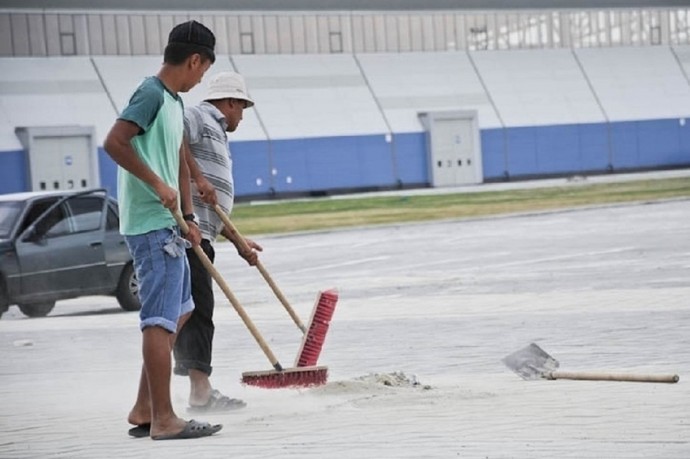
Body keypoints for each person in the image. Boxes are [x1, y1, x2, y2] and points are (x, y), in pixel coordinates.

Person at [103, 20, 222, 441]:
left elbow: (176, 160)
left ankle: (144, 407)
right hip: (151, 224)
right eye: (203, 70)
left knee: (181, 310)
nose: (201, 78)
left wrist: (190, 218)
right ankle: (165, 419)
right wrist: (156, 184)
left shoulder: (173, 102)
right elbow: (115, 142)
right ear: (194, 60)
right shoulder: (151, 93)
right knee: (160, 319)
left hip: (171, 225)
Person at [173, 71, 263, 411]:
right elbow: (172, 137)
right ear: (231, 102)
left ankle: (197, 389)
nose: (242, 115)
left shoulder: (219, 134)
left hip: (206, 232)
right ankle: (200, 393)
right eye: (242, 107)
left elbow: (215, 205)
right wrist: (196, 177)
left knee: (196, 311)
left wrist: (239, 242)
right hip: (189, 233)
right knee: (198, 312)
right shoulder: (198, 115)